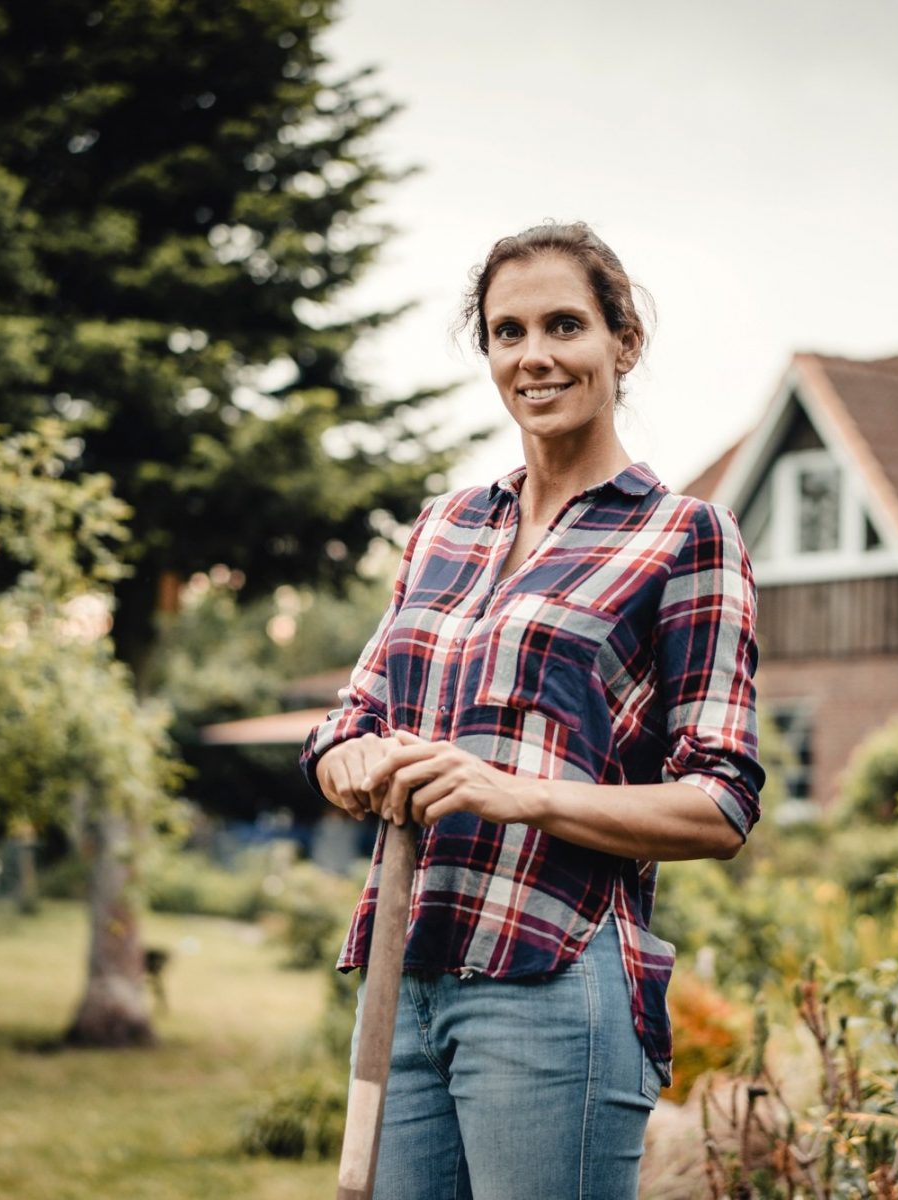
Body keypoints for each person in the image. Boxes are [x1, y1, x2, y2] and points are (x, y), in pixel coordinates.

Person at [300, 221, 765, 1200]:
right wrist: (344, 760)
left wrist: (515, 793)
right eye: (507, 332)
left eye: (564, 325)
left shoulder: (683, 536)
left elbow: (718, 806)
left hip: (552, 982)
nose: (535, 355)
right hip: (405, 968)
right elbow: (350, 719)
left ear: (621, 343)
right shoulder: (446, 527)